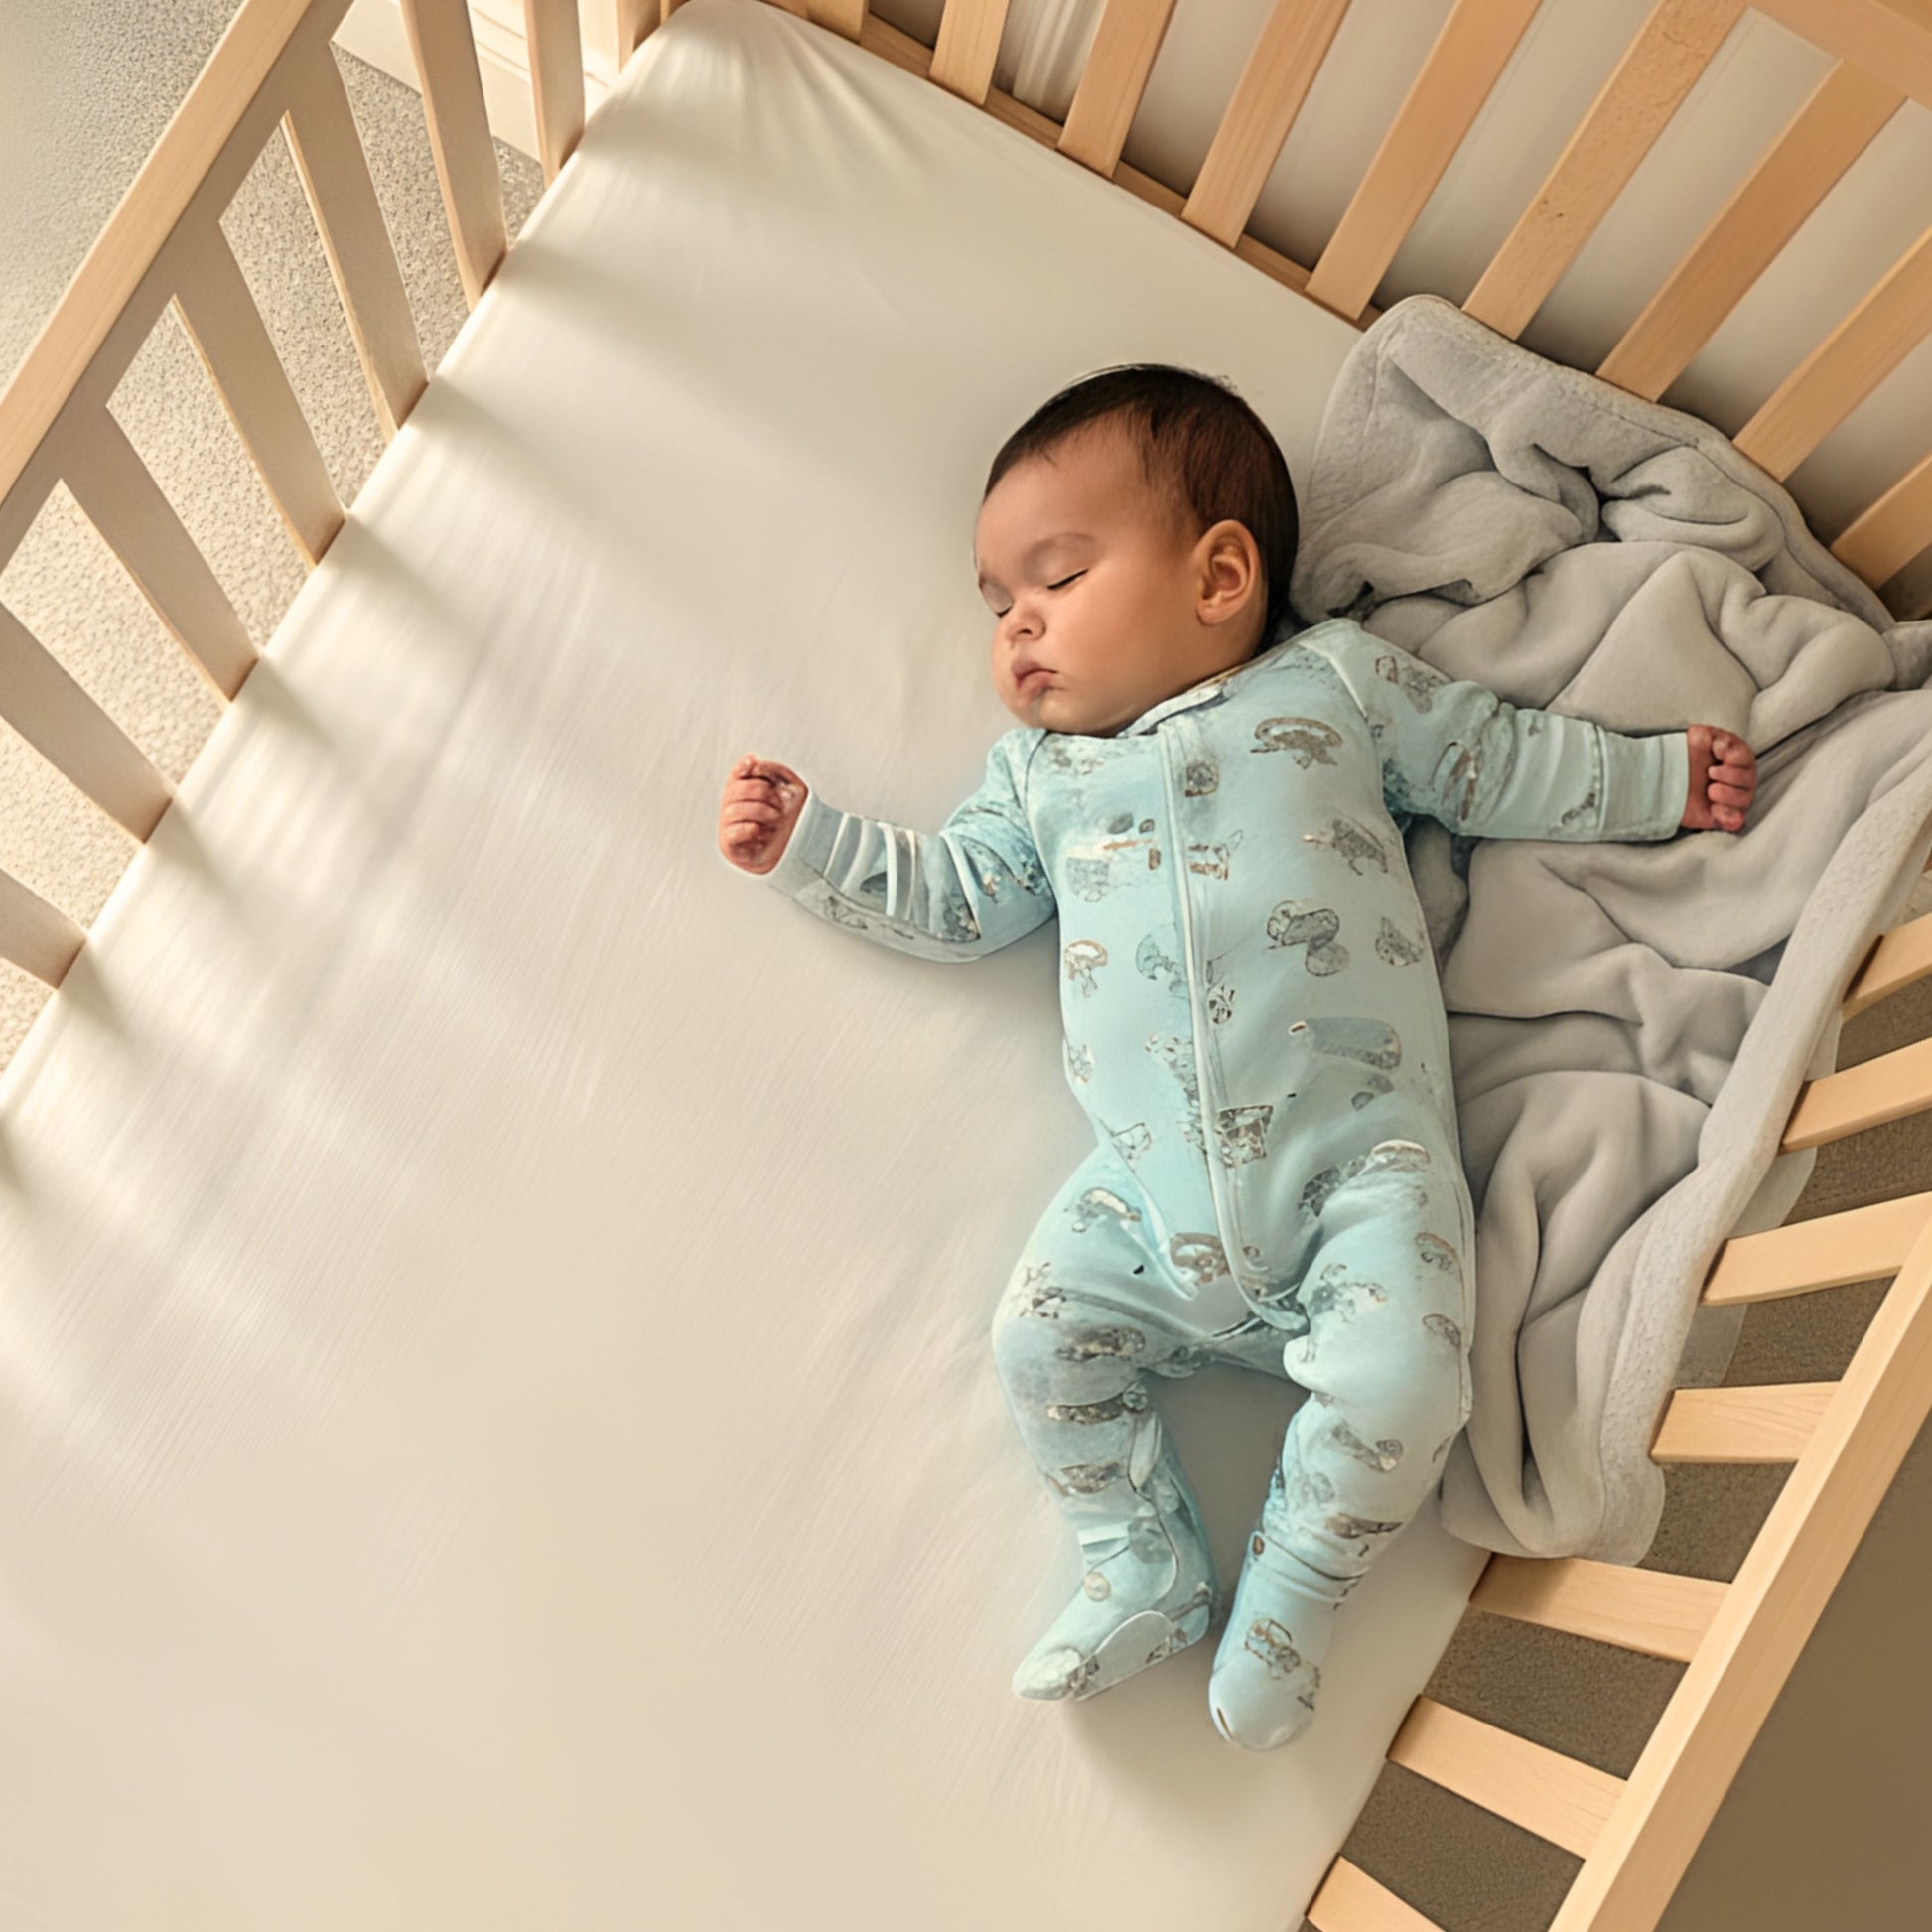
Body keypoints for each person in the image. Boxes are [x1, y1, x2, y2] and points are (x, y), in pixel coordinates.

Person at [714, 365, 1758, 1751]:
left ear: (1218, 576)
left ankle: (1290, 1590)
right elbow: (959, 899)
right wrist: (814, 845)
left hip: (1360, 1179)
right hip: (1142, 1202)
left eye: (1056, 576)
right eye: (994, 604)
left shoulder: (1331, 686)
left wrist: (1649, 782)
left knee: (1406, 1389)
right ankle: (1139, 1560)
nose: (1016, 624)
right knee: (1035, 1339)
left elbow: (1485, 762)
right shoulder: (1038, 779)